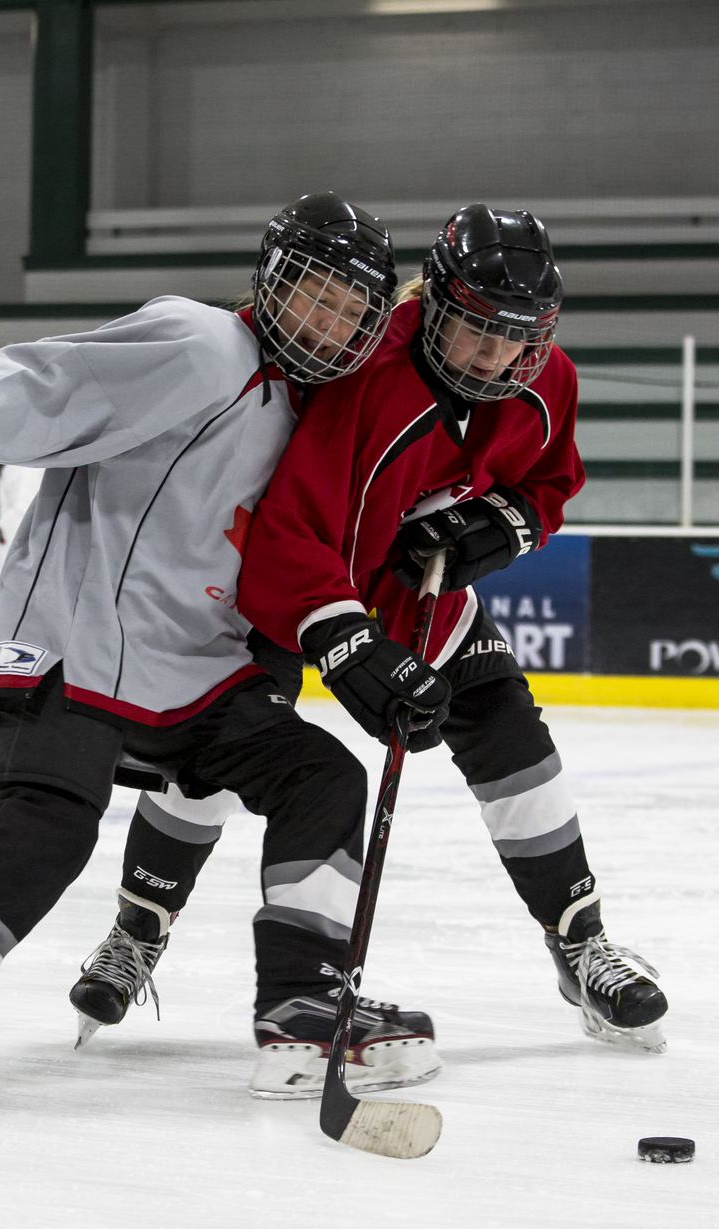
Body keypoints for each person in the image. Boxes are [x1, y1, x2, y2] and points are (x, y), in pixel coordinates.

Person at [0, 192, 437, 1106]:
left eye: (353, 312)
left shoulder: (313, 412)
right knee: (50, 823)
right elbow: (57, 379)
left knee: (323, 779)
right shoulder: (203, 344)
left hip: (194, 672)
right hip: (75, 636)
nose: (331, 323)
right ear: (272, 279)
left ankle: (302, 1006)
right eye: (318, 295)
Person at [71, 205, 671, 1053]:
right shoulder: (366, 369)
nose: (499, 359)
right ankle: (139, 928)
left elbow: (549, 481)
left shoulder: (547, 380)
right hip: (279, 592)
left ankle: (579, 942)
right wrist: (343, 637)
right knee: (207, 760)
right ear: (436, 307)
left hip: (411, 597)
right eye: (478, 333)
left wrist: (505, 524)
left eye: (520, 339)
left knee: (512, 738)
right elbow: (290, 528)